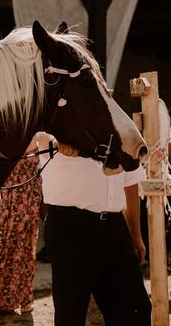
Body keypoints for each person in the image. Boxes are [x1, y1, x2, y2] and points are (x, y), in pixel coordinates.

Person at [38, 133, 151, 326]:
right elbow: (33, 136)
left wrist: (135, 233)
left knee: (136, 310)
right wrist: (53, 139)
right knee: (71, 314)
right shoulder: (57, 114)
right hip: (71, 226)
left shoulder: (119, 121)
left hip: (115, 226)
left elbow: (130, 179)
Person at [0, 141, 42, 317]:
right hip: (4, 182)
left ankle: (23, 297)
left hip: (25, 185)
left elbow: (34, 141)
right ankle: (0, 302)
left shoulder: (35, 120)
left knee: (22, 241)